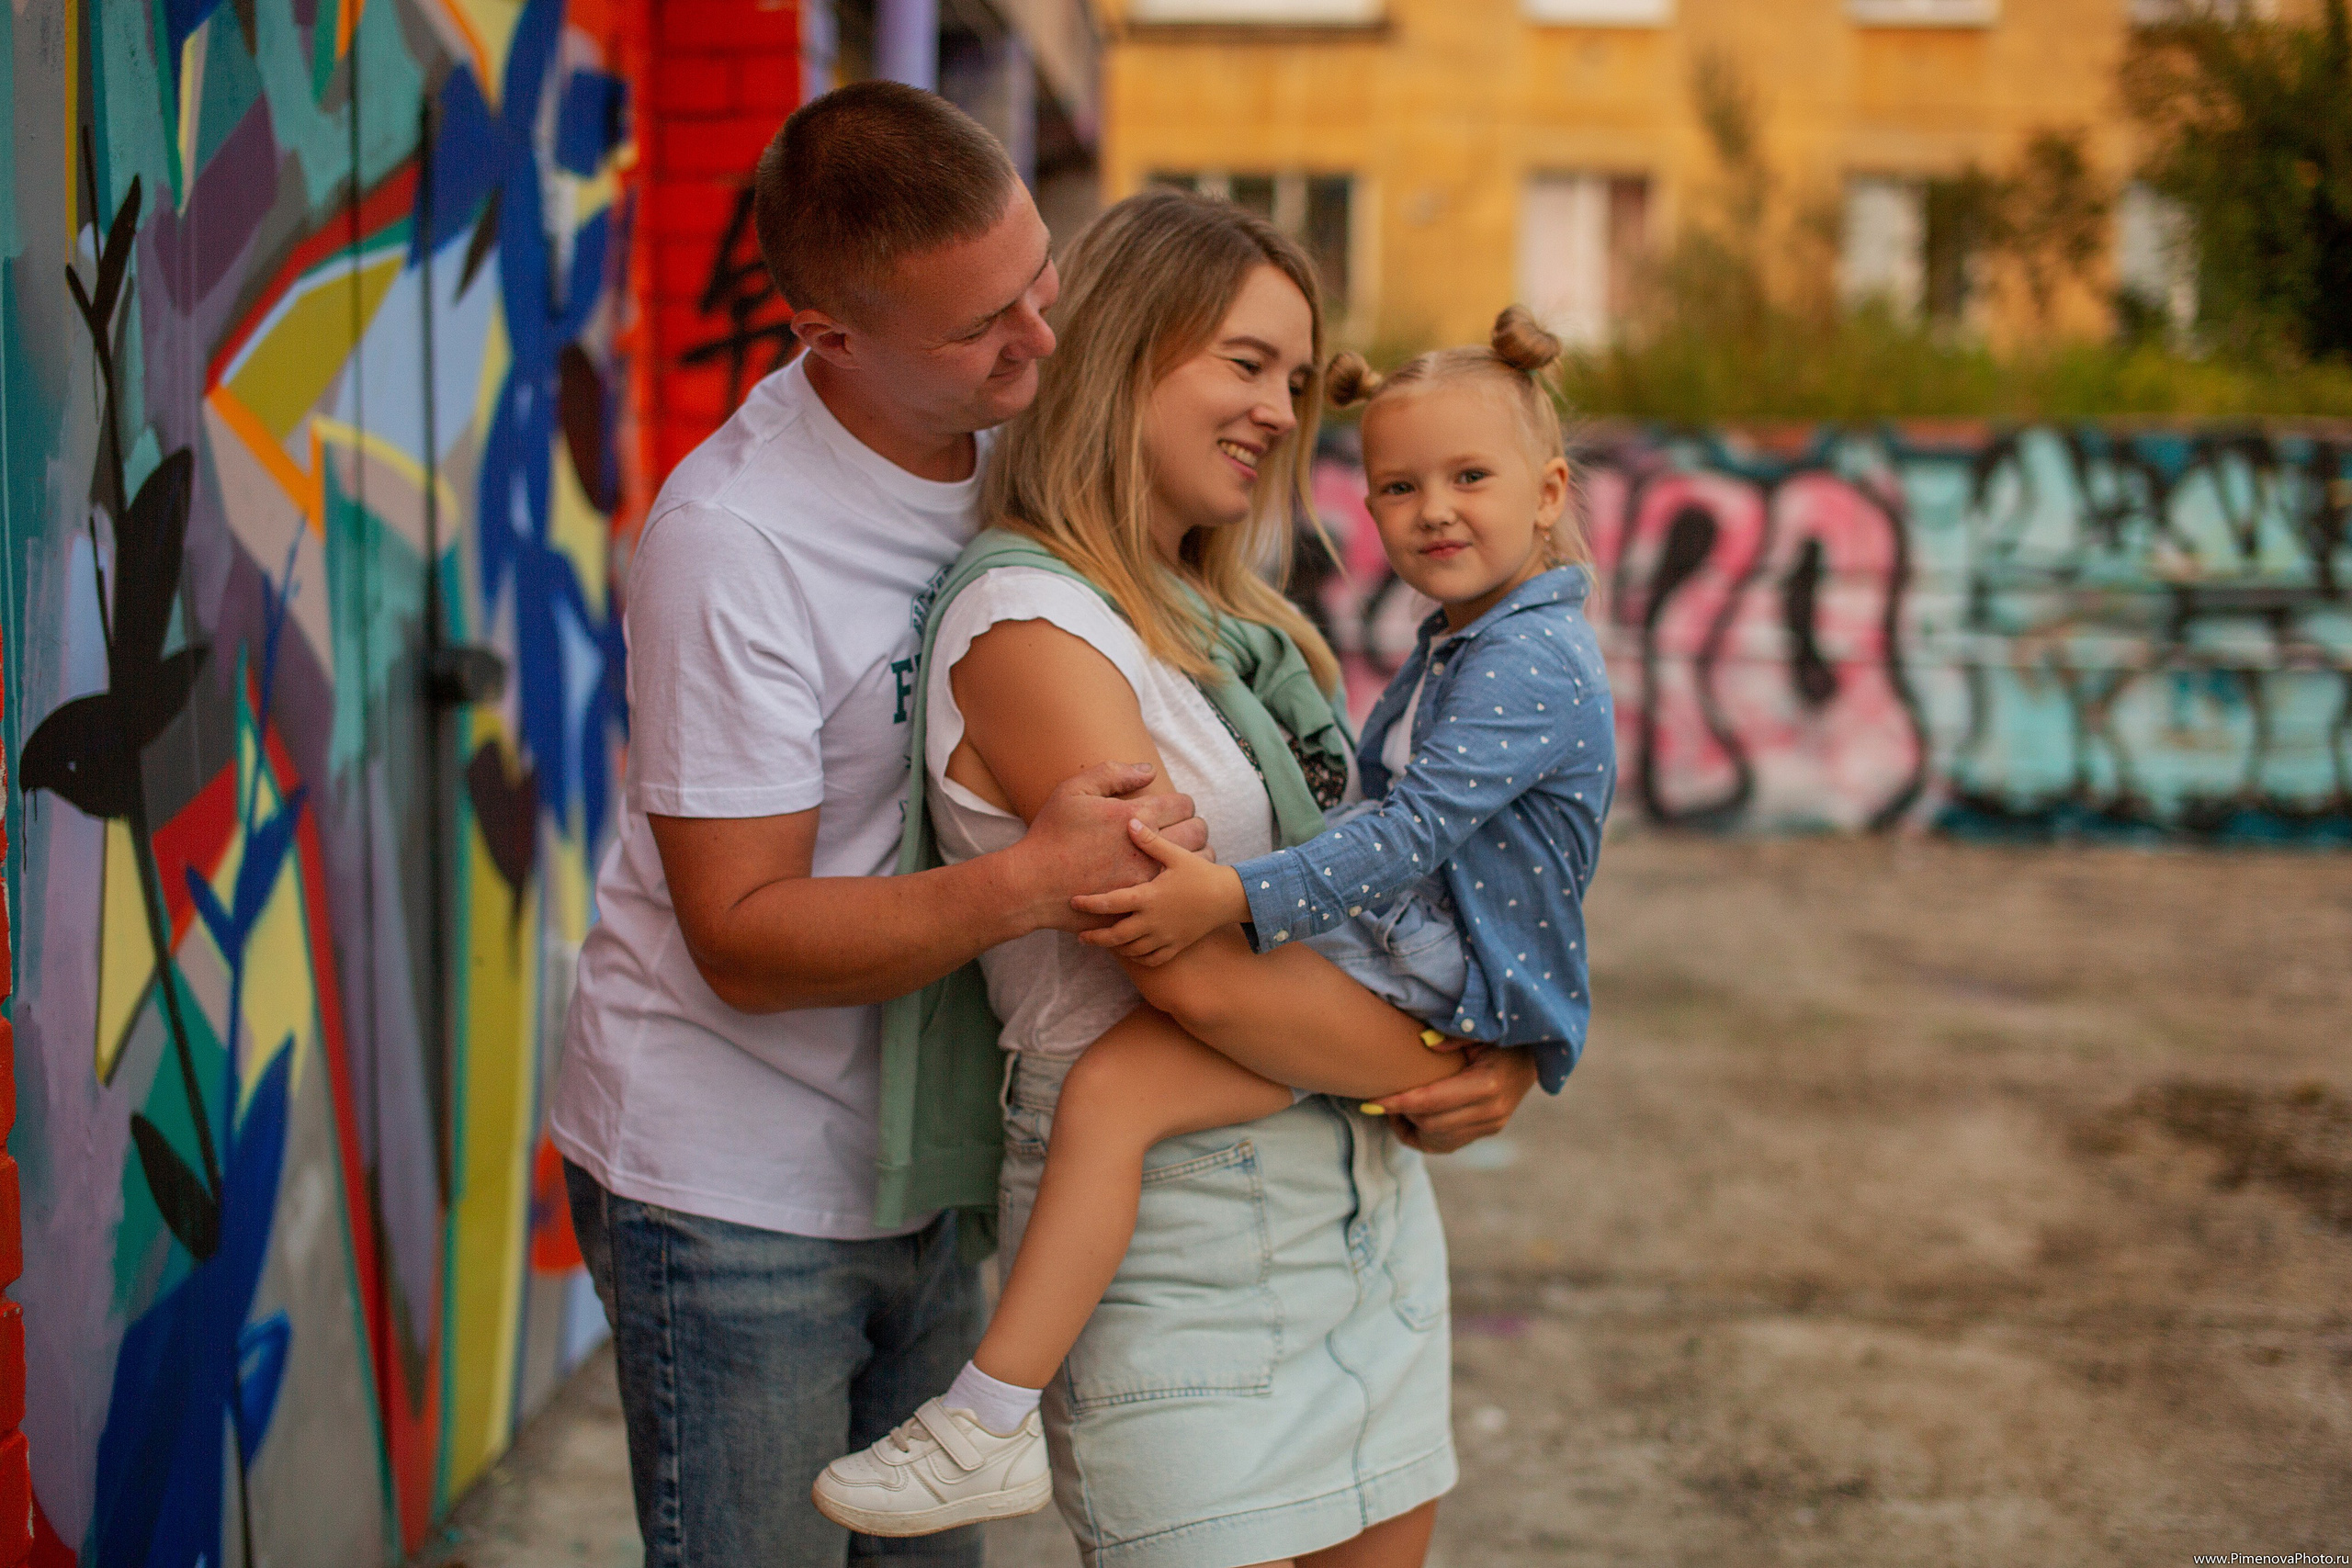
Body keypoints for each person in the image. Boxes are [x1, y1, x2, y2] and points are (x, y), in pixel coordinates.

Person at [811, 192, 1554, 1567]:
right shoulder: (1033, 622)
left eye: (1291, 375)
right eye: (1242, 361)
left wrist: (1486, 1057)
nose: (1280, 409)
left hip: (1362, 1205)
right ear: (1122, 349)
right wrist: (1448, 1055)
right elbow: (1190, 972)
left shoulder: (1236, 624)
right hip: (1178, 1234)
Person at [547, 84, 1216, 1568]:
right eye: (984, 325)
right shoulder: (734, 542)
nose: (1039, 339)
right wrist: (1038, 883)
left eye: (1039, 278)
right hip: (734, 1192)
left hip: (926, 1160)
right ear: (830, 336)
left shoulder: (1017, 446)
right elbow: (742, 939)